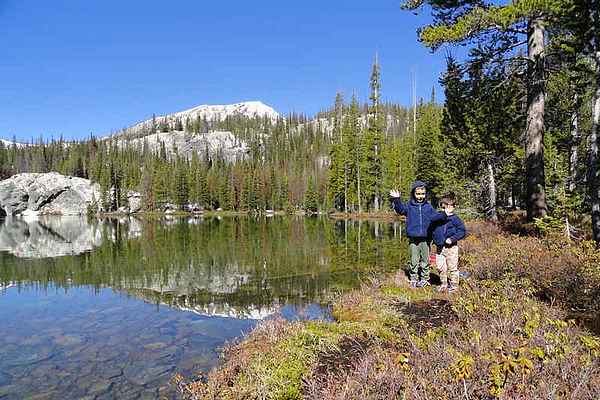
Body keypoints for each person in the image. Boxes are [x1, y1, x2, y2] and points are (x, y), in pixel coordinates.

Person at [389, 181, 447, 288]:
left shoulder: (428, 207)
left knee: (425, 260)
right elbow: (400, 210)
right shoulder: (409, 206)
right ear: (413, 194)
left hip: (426, 238)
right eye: (418, 194)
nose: (420, 196)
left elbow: (435, 216)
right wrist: (396, 200)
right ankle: (414, 278)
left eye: (422, 194)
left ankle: (425, 278)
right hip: (413, 238)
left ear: (425, 194)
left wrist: (444, 214)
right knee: (413, 259)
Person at [431, 194, 466, 293]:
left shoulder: (456, 219)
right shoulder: (438, 217)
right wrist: (444, 214)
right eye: (444, 207)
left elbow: (462, 231)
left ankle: (454, 286)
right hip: (439, 248)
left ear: (454, 207)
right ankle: (443, 284)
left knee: (452, 268)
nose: (446, 209)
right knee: (440, 267)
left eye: (449, 206)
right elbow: (432, 219)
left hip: (451, 248)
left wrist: (452, 238)